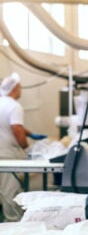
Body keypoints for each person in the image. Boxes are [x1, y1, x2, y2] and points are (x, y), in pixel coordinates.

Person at [0, 72, 46, 221]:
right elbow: (16, 129)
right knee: (9, 190)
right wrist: (27, 149)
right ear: (14, 89)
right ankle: (12, 221)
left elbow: (7, 125)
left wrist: (30, 133)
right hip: (7, 156)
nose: (20, 91)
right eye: (19, 88)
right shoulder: (14, 106)